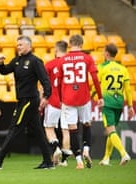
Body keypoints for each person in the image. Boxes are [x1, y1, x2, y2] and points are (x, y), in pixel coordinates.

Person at [0, 35, 54, 170]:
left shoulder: (35, 61)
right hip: (23, 100)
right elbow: (4, 71)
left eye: (21, 45)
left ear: (29, 46)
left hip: (29, 100)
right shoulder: (17, 60)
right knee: (38, 132)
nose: (18, 47)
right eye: (17, 45)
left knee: (14, 128)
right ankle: (48, 162)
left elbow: (45, 80)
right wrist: (0, 63)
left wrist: (46, 96)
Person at [56, 34, 104, 169]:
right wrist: (100, 97)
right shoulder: (87, 58)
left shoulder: (63, 59)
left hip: (68, 99)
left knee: (72, 129)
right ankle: (86, 150)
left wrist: (60, 99)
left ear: (70, 44)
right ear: (82, 44)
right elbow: (95, 79)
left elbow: (58, 82)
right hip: (84, 98)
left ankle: (78, 161)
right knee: (87, 124)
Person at [97, 43, 134, 166]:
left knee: (111, 130)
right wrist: (130, 106)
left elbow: (96, 85)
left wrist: (93, 95)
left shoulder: (102, 67)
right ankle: (106, 158)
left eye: (103, 51)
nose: (103, 53)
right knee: (111, 130)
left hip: (107, 102)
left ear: (107, 53)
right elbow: (128, 90)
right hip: (119, 103)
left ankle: (124, 154)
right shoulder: (123, 68)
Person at [43, 41, 72, 166]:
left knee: (49, 128)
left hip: (53, 101)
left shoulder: (49, 64)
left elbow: (44, 84)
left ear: (56, 50)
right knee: (66, 130)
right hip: (68, 101)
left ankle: (56, 148)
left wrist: (42, 99)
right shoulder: (71, 64)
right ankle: (64, 161)